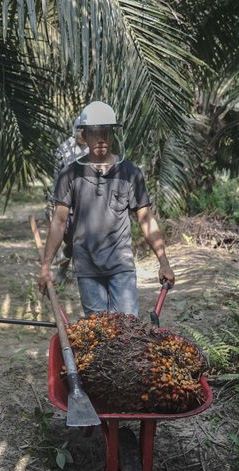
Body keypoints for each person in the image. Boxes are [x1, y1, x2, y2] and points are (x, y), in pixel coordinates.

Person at [38, 101, 175, 318]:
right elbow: (59, 222)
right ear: (84, 135)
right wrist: (46, 267)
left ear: (112, 134)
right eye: (94, 132)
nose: (101, 137)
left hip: (121, 265)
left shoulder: (130, 173)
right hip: (87, 266)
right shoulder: (70, 174)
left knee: (128, 329)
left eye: (106, 131)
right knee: (99, 335)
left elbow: (146, 219)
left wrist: (164, 263)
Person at [46, 116, 89, 282]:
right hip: (68, 203)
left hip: (89, 202)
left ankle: (83, 271)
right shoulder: (64, 150)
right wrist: (54, 202)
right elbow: (57, 179)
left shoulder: (93, 149)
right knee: (71, 238)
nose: (82, 133)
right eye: (79, 129)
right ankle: (64, 268)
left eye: (84, 130)